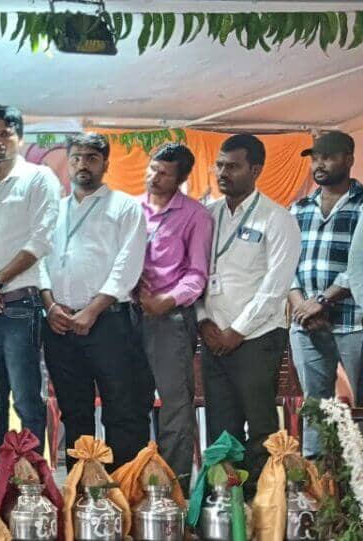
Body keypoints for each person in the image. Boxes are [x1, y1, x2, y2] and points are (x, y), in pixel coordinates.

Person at [197, 134, 299, 493]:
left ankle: (264, 504)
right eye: (219, 165)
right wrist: (203, 321)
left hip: (256, 339)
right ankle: (227, 504)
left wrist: (237, 331)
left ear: (256, 170)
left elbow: (275, 287)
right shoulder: (207, 215)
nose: (223, 173)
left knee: (260, 427)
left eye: (233, 166)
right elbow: (195, 274)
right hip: (213, 337)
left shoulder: (277, 218)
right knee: (220, 428)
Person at [41, 133, 149, 471]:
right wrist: (50, 305)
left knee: (121, 407)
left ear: (105, 163)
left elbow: (127, 266)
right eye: (76, 158)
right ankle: (82, 485)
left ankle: (123, 485)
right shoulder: (53, 211)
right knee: (75, 410)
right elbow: (38, 261)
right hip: (60, 323)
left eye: (91, 158)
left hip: (108, 322)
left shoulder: (125, 207)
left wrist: (92, 310)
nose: (82, 165)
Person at [0, 105, 60, 477]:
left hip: (19, 306)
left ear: (20, 137)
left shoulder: (39, 178)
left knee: (26, 399)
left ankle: (34, 479)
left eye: (6, 133)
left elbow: (41, 240)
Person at [134, 142, 212, 486]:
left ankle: (173, 491)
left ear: (180, 179)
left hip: (170, 320)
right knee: (129, 403)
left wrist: (164, 302)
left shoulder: (195, 215)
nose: (154, 177)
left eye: (164, 173)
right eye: (152, 168)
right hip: (127, 315)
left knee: (175, 406)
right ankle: (135, 484)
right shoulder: (130, 209)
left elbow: (197, 274)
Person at [287, 131, 361, 458]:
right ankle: (318, 478)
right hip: (306, 324)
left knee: (360, 406)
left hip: (354, 321)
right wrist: (301, 305)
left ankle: (356, 478)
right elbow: (285, 263)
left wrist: (323, 300)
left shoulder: (361, 204)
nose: (319, 164)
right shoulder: (299, 208)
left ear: (348, 159)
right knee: (316, 406)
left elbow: (360, 265)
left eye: (328, 158)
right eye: (315, 158)